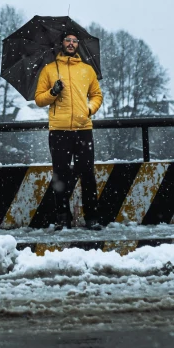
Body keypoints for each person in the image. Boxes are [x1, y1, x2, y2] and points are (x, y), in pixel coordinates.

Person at [35, 31, 103, 231]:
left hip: (84, 129)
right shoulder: (49, 70)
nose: (71, 44)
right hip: (59, 130)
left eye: (75, 41)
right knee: (60, 175)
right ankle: (62, 218)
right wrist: (53, 92)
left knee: (87, 174)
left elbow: (97, 95)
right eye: (68, 40)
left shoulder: (87, 70)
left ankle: (92, 218)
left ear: (78, 45)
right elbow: (39, 99)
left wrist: (89, 110)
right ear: (61, 43)